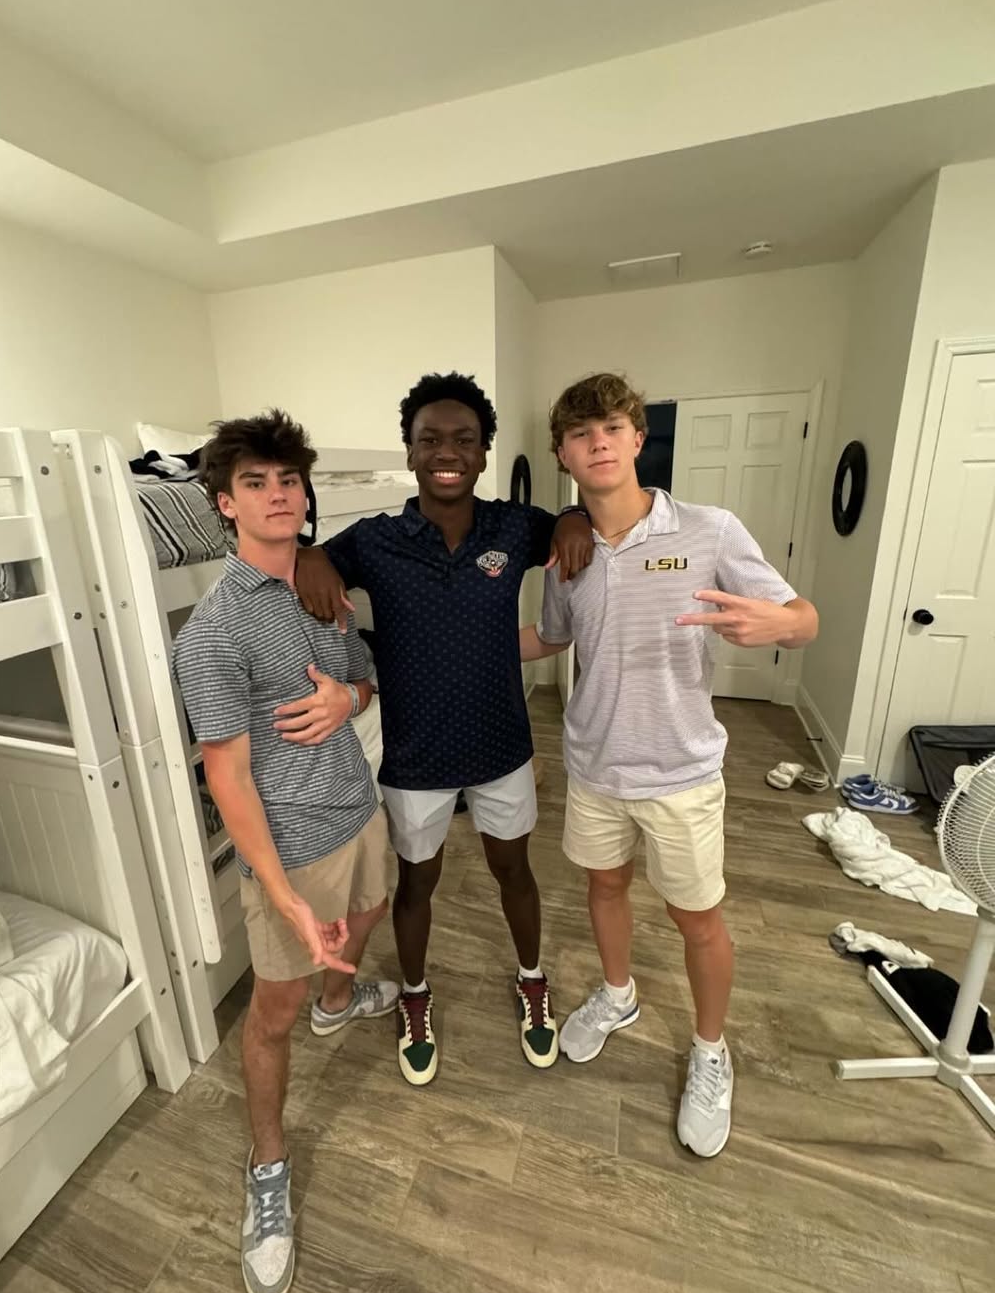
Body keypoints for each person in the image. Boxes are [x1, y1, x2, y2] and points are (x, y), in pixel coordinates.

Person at [520, 372, 818, 1158]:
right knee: (604, 885)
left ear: (637, 437)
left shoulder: (710, 531)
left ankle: (711, 1050)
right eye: (581, 434)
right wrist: (454, 642)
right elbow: (552, 637)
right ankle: (618, 993)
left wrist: (784, 625)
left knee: (698, 918)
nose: (598, 443)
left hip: (681, 773)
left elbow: (803, 617)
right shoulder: (565, 555)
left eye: (612, 428)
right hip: (594, 765)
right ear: (563, 454)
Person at [295, 372, 593, 1086]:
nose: (447, 452)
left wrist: (573, 516)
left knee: (514, 870)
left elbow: (565, 522)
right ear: (410, 451)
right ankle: (415, 993)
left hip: (500, 744)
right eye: (430, 439)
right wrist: (309, 555)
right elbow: (316, 557)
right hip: (416, 755)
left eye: (464, 439)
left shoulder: (512, 527)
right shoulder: (377, 540)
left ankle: (532, 977)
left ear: (485, 451)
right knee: (417, 882)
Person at [172, 410, 398, 1293]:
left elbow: (363, 678)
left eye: (289, 481)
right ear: (226, 504)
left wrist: (349, 697)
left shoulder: (323, 589)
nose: (278, 495)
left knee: (370, 915)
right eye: (256, 483)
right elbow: (226, 775)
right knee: (272, 1013)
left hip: (358, 807)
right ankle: (267, 1169)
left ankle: (340, 1000)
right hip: (291, 846)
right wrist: (282, 894)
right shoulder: (213, 631)